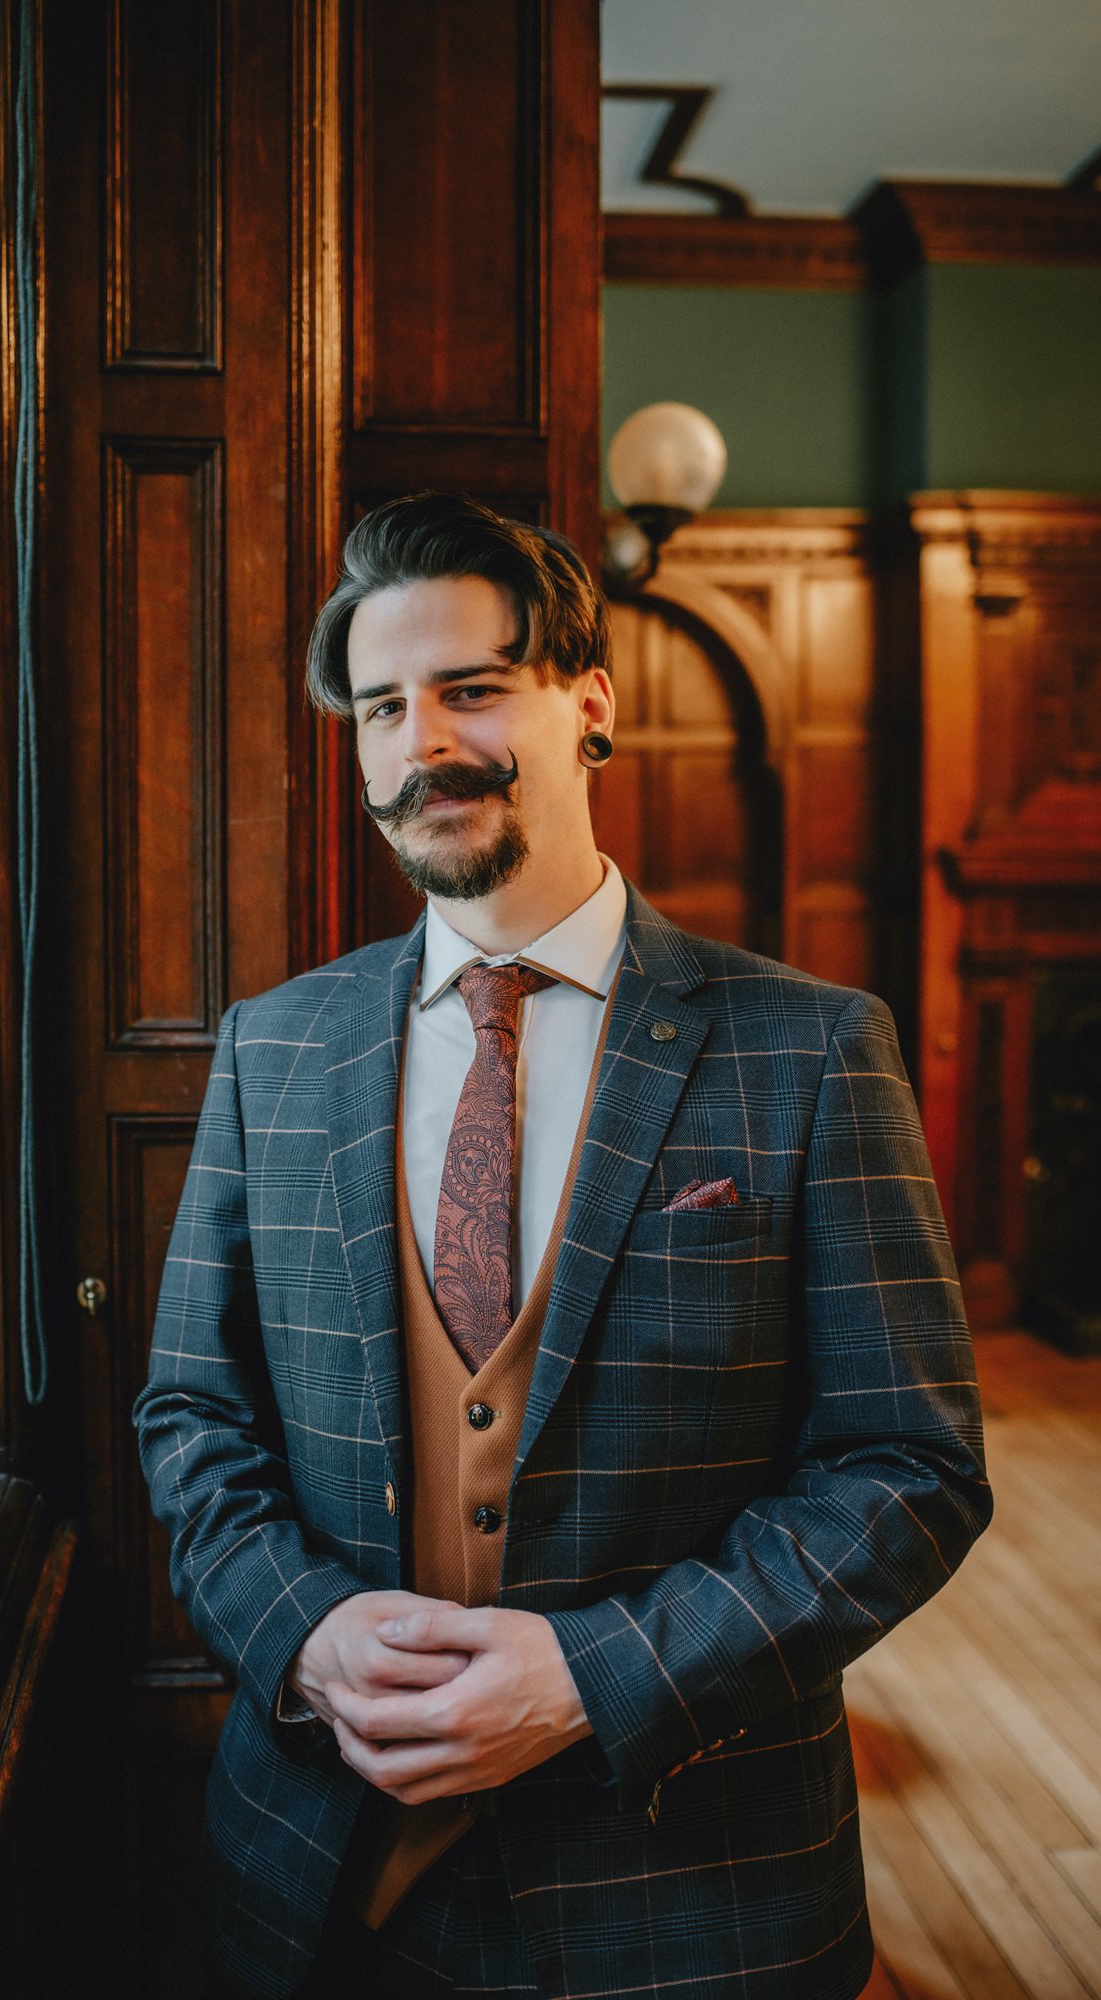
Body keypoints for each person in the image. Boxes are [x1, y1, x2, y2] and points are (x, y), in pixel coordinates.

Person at [134, 492, 992, 2000]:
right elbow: (193, 1418)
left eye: (471, 687)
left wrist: (598, 1680)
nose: (422, 743)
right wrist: (308, 1634)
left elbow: (907, 1468)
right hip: (317, 1888)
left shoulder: (810, 1051)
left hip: (696, 1895)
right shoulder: (275, 1051)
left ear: (587, 705)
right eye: (384, 707)